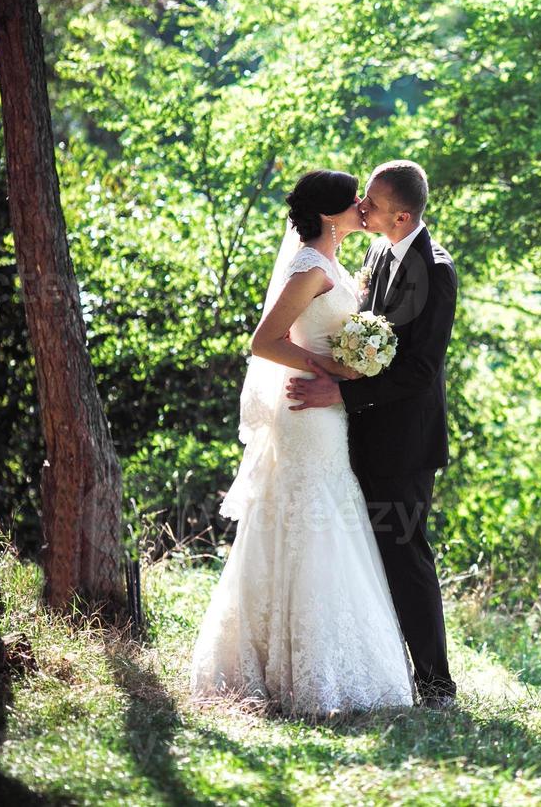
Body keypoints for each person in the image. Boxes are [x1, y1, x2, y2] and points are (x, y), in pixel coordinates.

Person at [190, 169, 414, 715]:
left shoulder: (335, 264)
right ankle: (288, 666)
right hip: (307, 410)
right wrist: (329, 369)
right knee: (305, 512)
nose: (363, 206)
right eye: (353, 200)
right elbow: (264, 341)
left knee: (327, 511)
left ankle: (331, 656)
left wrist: (348, 369)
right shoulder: (310, 266)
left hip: (328, 414)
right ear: (328, 216)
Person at [286, 160, 459, 708]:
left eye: (373, 205)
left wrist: (341, 393)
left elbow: (419, 370)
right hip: (357, 434)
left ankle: (437, 684)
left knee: (407, 556)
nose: (362, 210)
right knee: (367, 555)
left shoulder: (435, 270)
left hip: (406, 442)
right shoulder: (379, 249)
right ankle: (386, 668)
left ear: (402, 215)